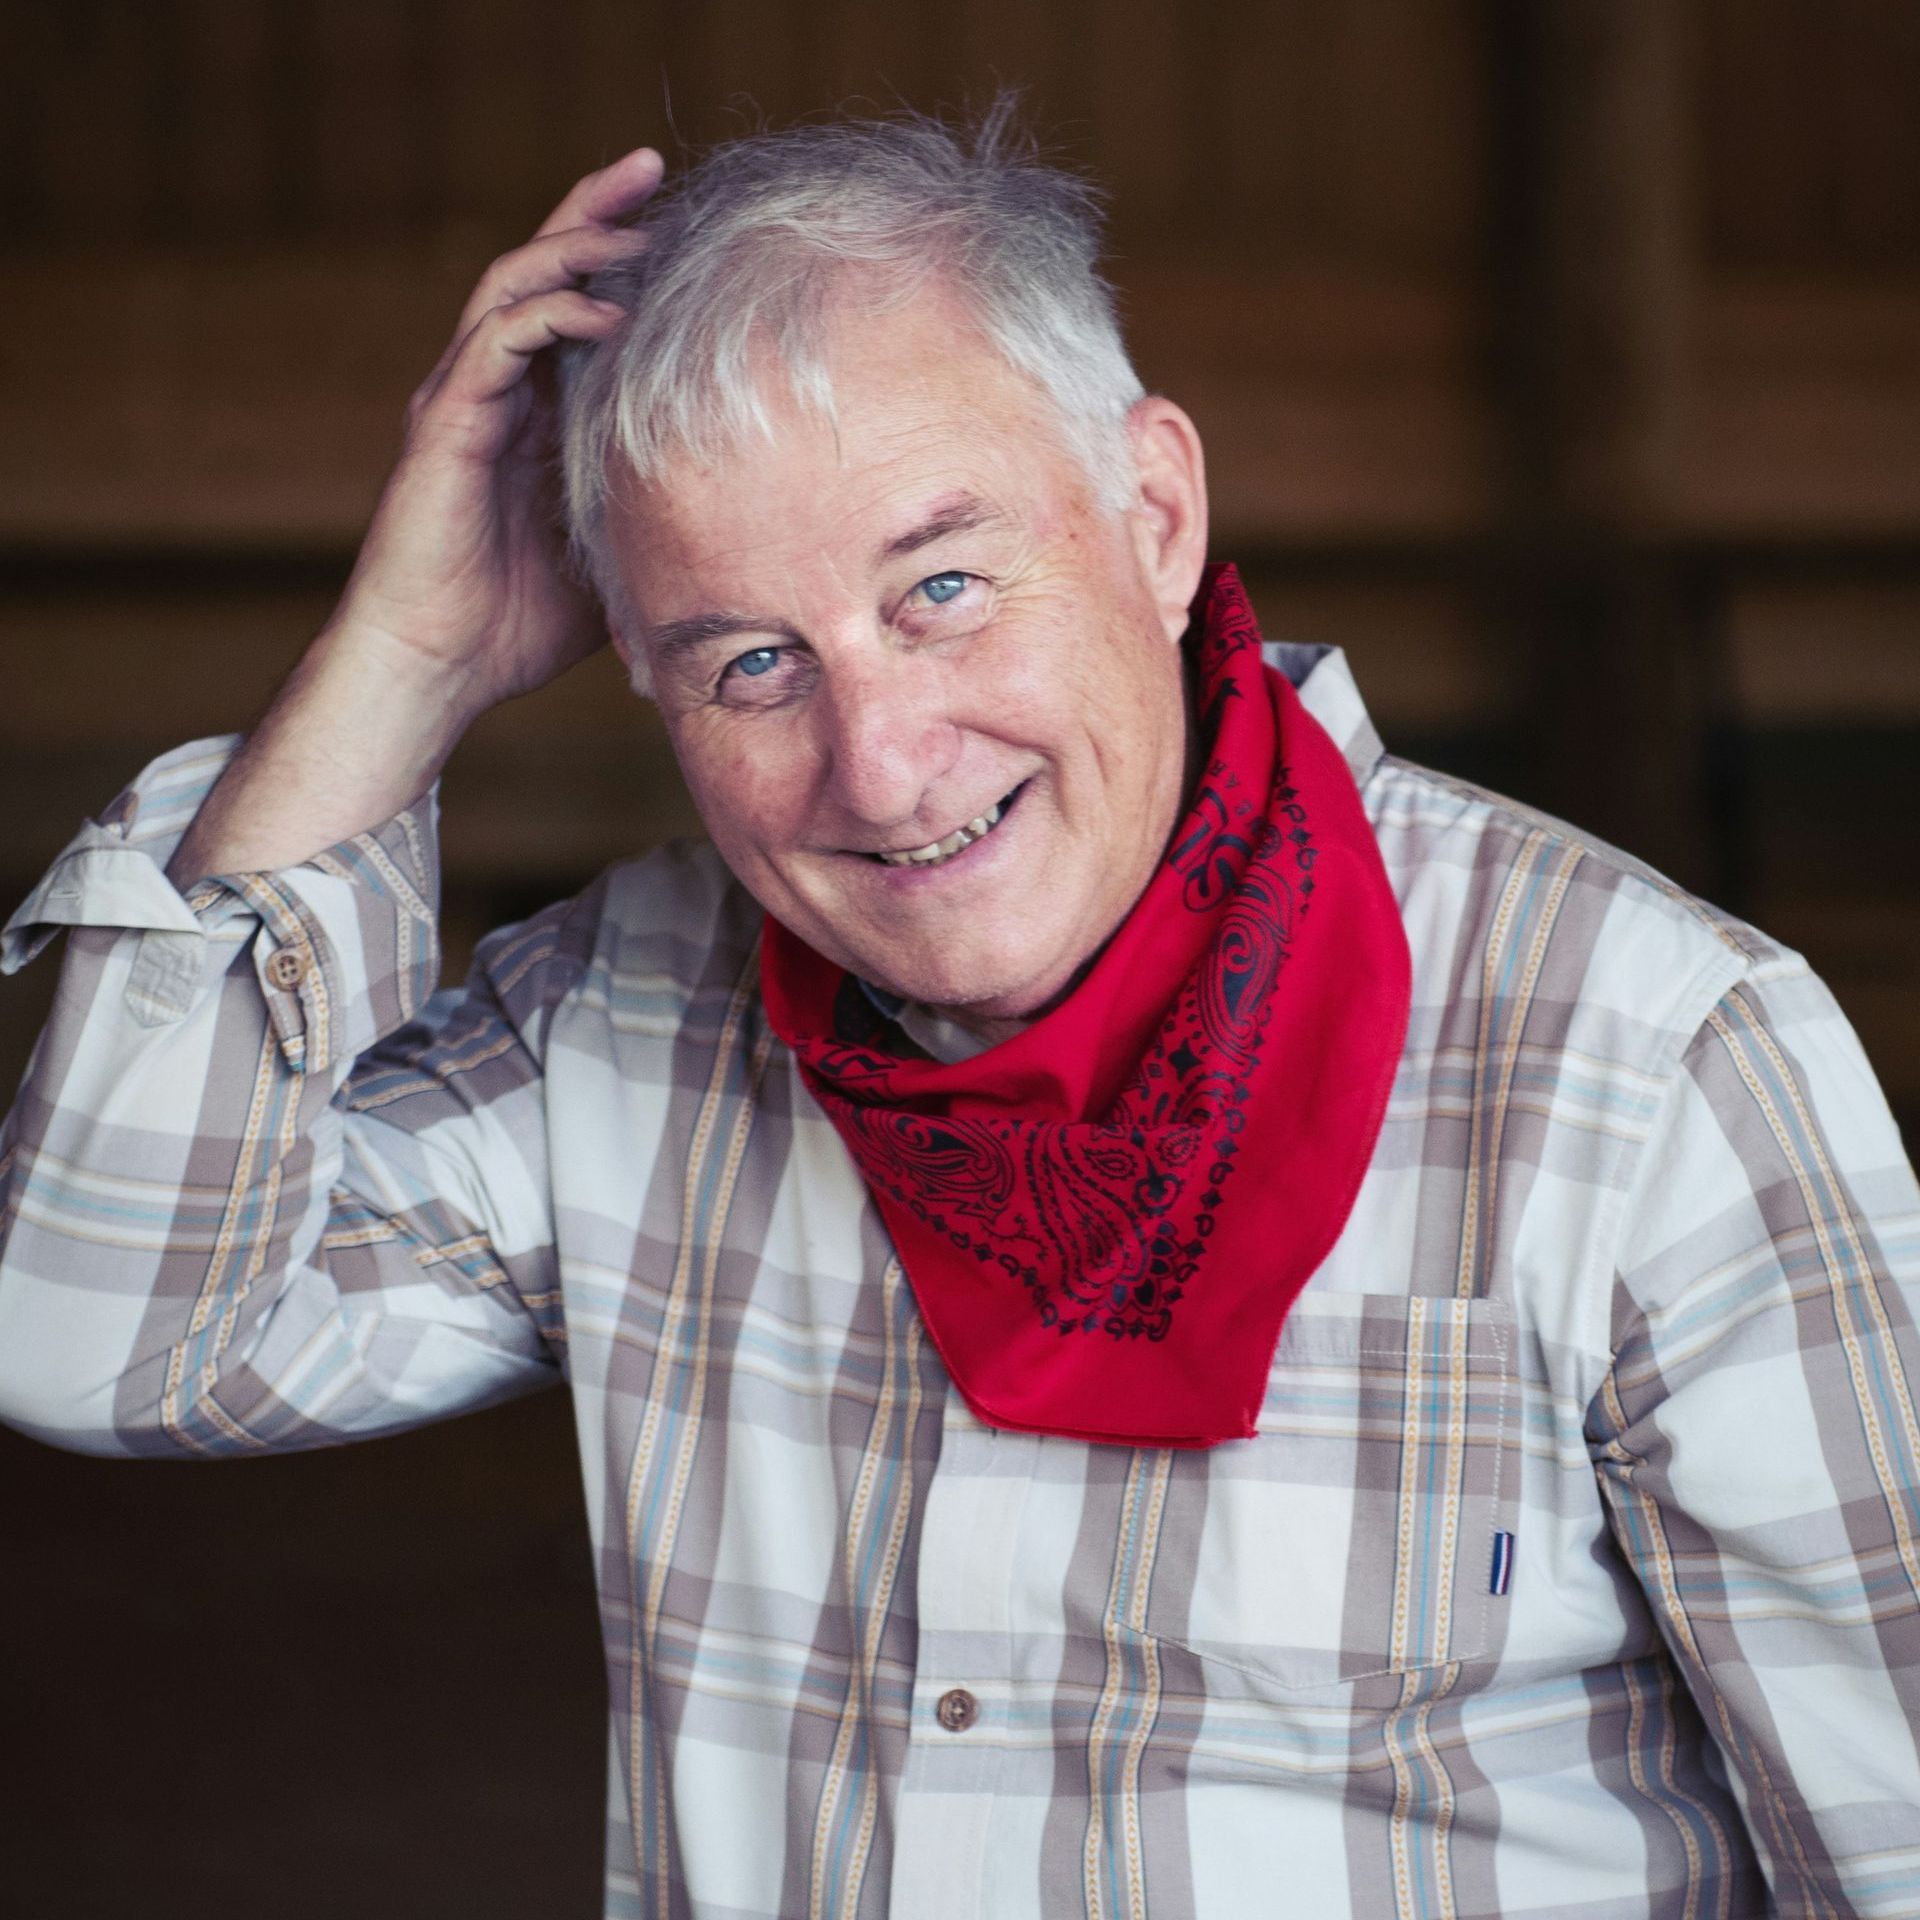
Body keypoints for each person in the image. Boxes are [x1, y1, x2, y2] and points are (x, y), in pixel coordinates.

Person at [1, 105, 1916, 1920]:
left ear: (1153, 513)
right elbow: (99, 1337)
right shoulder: (623, 1022)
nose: (887, 764)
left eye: (941, 588)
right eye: (752, 664)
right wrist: (402, 659)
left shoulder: (1653, 1059)